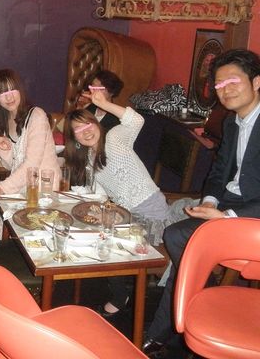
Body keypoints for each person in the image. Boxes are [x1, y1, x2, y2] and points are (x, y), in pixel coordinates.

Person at [143, 49, 260, 358]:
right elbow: (219, 173)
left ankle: (169, 327)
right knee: (179, 239)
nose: (225, 90)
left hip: (254, 218)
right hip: (228, 205)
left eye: (233, 81)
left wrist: (228, 215)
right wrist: (209, 203)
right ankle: (189, 312)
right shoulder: (232, 123)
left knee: (181, 240)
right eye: (219, 84)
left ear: (257, 82)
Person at [63, 89, 195, 319]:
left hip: (153, 217)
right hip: (129, 216)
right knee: (97, 233)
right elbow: (101, 193)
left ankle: (121, 296)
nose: (86, 132)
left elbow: (136, 120)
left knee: (108, 241)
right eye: (78, 130)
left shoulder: (115, 138)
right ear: (74, 139)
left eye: (88, 124)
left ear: (97, 123)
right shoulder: (89, 160)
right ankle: (118, 291)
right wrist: (95, 207)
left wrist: (104, 103)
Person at [0, 69, 61, 198]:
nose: (9, 97)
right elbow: (13, 165)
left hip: (45, 191)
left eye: (12, 90)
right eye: (2, 93)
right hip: (23, 190)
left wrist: (2, 188)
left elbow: (32, 164)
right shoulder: (7, 119)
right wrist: (6, 150)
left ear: (20, 90)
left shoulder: (37, 116)